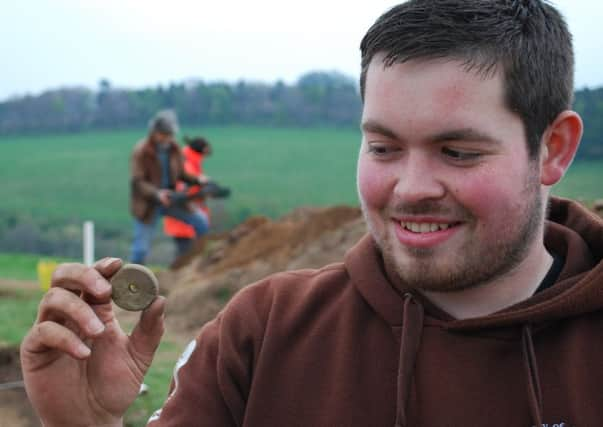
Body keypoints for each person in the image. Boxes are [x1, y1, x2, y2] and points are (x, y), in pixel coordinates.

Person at [20, 1, 603, 426]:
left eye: (459, 152)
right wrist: (86, 425)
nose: (412, 188)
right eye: (383, 147)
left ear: (553, 148)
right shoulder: (262, 332)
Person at [129, 110, 210, 264]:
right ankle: (133, 281)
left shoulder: (174, 149)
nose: (169, 138)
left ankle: (201, 265)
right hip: (148, 204)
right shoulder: (141, 151)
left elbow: (181, 174)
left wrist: (198, 180)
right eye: (166, 134)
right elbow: (138, 182)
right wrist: (157, 194)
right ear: (156, 133)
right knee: (140, 250)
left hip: (171, 199)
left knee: (201, 222)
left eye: (171, 134)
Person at [163, 136, 213, 258]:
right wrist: (203, 192)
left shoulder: (190, 162)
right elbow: (182, 193)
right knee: (185, 259)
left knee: (186, 258)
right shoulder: (188, 165)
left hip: (188, 220)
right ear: (201, 151)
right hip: (184, 221)